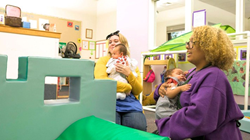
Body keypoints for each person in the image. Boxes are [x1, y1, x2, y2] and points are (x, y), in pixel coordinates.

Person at [154, 25, 244, 140]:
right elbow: (174, 87)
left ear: (208, 47)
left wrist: (165, 124)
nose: (187, 46)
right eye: (188, 42)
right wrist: (161, 88)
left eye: (192, 42)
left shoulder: (213, 76)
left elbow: (199, 118)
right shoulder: (192, 72)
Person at [94, 30, 147, 131]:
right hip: (109, 99)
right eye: (110, 42)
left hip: (129, 101)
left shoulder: (131, 63)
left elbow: (138, 90)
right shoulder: (103, 61)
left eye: (116, 41)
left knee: (138, 128)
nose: (112, 43)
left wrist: (129, 74)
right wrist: (127, 87)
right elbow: (101, 81)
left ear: (124, 45)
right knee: (112, 130)